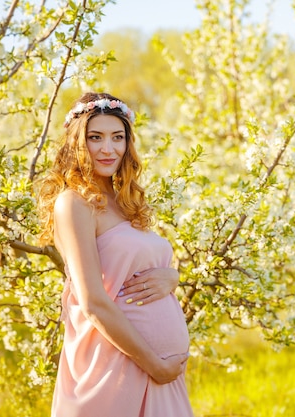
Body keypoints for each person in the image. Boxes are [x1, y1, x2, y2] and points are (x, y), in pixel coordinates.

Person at [36, 92, 194, 416]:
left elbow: (135, 265)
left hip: (158, 374)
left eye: (117, 137)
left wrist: (173, 277)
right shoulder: (74, 203)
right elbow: (93, 301)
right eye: (96, 137)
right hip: (116, 370)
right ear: (78, 142)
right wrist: (155, 365)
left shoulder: (124, 200)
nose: (108, 149)